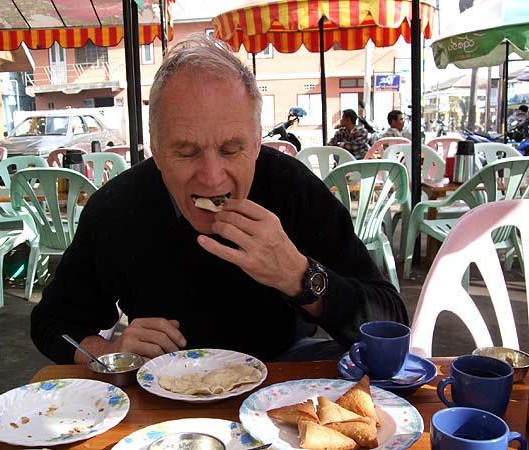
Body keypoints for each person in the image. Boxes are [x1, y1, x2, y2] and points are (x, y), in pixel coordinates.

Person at [31, 35, 407, 365]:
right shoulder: (116, 209)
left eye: (231, 149)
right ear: (156, 150)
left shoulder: (292, 189)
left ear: (256, 143)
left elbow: (389, 321)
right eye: (186, 151)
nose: (211, 177)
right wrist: (110, 350)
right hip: (165, 380)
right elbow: (52, 322)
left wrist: (298, 275)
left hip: (281, 370)